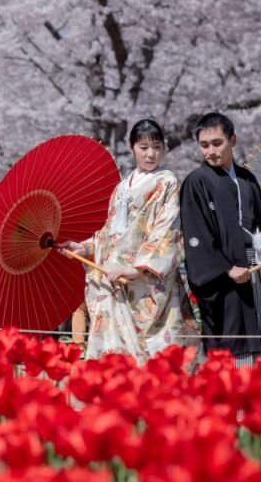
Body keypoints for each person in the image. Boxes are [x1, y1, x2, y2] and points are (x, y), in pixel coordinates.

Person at [63, 118, 198, 362]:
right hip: (114, 277)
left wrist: (135, 268)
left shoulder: (167, 181)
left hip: (143, 279)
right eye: (143, 147)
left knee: (153, 354)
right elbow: (109, 234)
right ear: (131, 147)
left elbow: (167, 230)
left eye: (157, 147)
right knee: (114, 353)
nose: (151, 154)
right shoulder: (121, 187)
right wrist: (83, 247)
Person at [180, 111, 261, 366]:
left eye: (217, 143)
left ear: (233, 140)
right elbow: (197, 239)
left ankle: (258, 402)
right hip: (223, 281)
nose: (210, 151)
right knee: (230, 352)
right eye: (204, 145)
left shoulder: (248, 179)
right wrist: (226, 269)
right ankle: (233, 404)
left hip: (255, 274)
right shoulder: (196, 182)